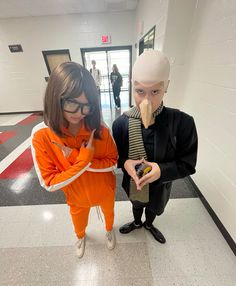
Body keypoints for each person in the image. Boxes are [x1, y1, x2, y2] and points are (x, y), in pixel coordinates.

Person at [31, 62, 118, 258]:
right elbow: (49, 183)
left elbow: (113, 162)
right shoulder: (42, 135)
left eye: (87, 106)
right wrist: (83, 159)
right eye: (72, 104)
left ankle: (109, 229)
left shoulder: (100, 129)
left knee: (109, 215)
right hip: (76, 196)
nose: (80, 113)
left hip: (105, 190)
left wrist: (76, 157)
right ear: (55, 98)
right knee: (78, 221)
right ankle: (80, 236)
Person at [112, 50, 198, 244]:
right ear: (132, 87)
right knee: (136, 203)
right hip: (134, 182)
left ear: (166, 87)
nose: (146, 101)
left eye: (155, 92)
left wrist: (162, 169)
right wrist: (125, 163)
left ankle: (149, 224)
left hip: (161, 185)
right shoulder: (120, 124)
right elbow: (115, 157)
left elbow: (187, 164)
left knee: (154, 207)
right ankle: (136, 222)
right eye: (140, 91)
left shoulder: (182, 123)